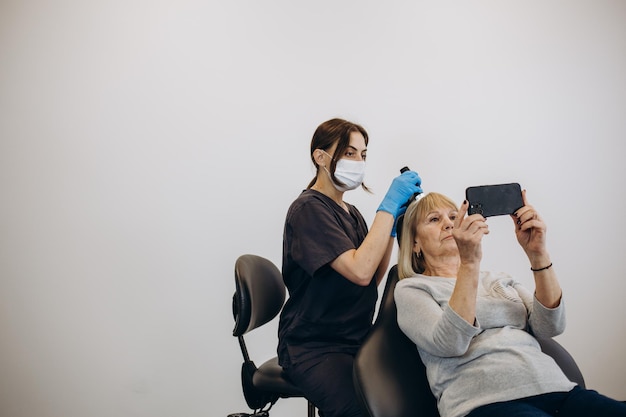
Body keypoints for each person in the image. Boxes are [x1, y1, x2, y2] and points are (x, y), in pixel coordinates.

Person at [394, 191, 626, 417]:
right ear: (414, 243)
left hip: (557, 388)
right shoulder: (412, 289)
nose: (448, 224)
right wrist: (470, 262)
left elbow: (550, 326)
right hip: (483, 402)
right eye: (434, 219)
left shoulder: (497, 279)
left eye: (454, 217)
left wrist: (538, 253)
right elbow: (452, 343)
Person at [277, 118, 422, 417]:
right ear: (320, 157)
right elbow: (360, 270)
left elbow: (371, 278)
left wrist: (391, 228)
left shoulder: (351, 213)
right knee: (363, 410)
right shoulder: (309, 209)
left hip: (356, 338)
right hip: (314, 347)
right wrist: (387, 206)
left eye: (363, 154)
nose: (358, 161)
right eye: (349, 152)